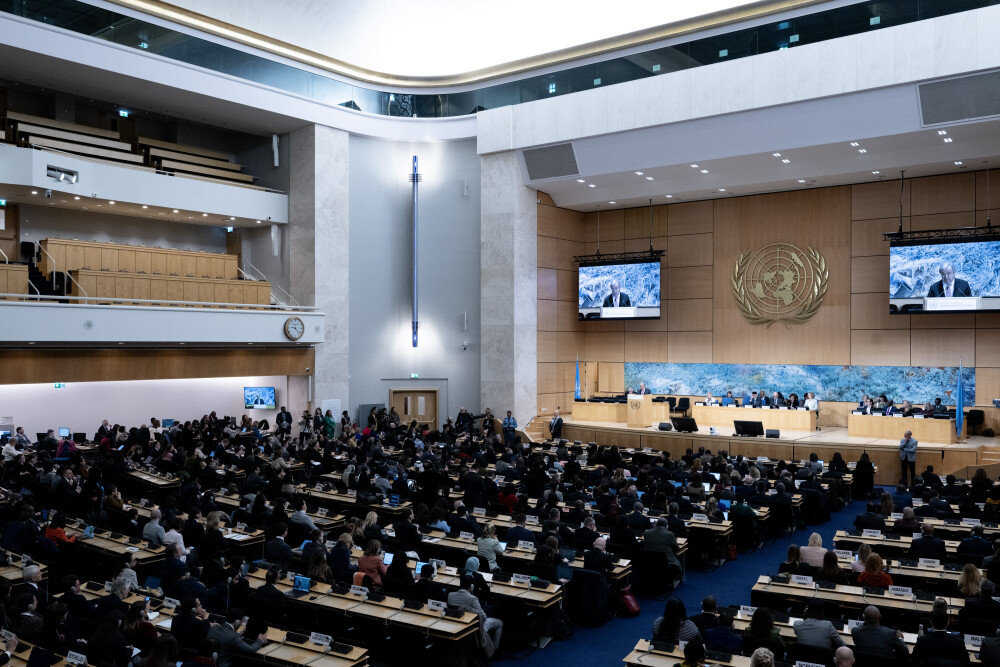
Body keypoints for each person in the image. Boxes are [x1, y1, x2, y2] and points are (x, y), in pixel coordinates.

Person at [448, 575, 502, 657]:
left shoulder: (450, 595)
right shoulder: (473, 599)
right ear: (471, 586)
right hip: (475, 626)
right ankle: (494, 650)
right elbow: (483, 617)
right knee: (499, 623)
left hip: (458, 625)